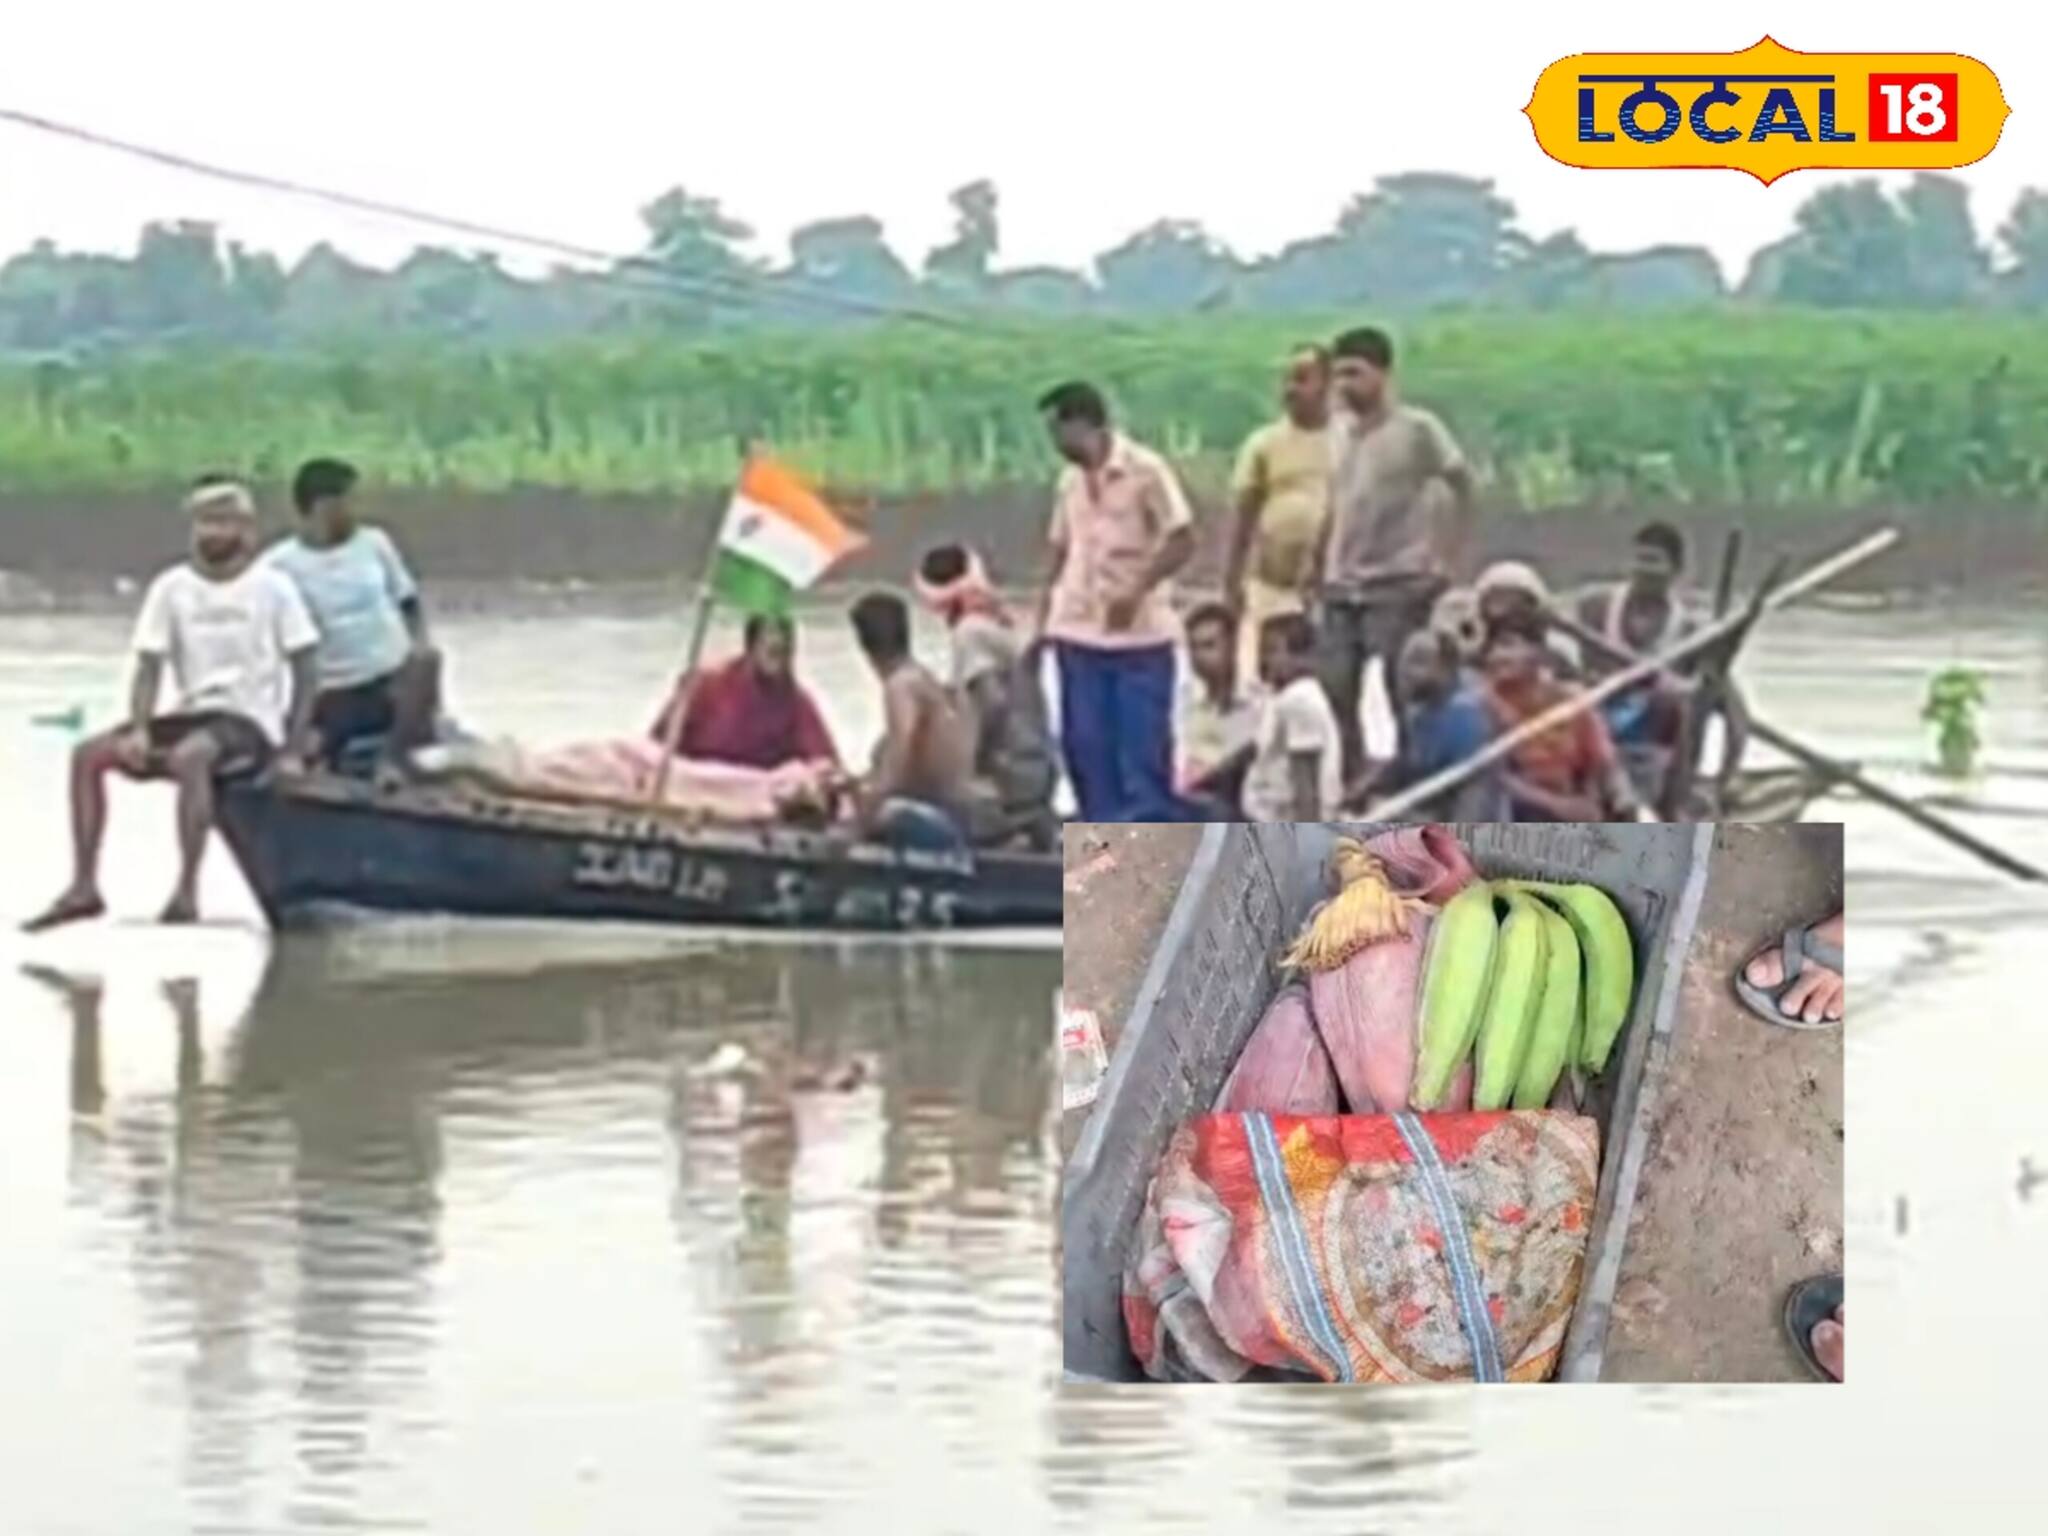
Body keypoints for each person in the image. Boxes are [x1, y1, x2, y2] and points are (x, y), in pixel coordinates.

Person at [23, 479, 320, 931]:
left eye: (222, 522)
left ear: (245, 530)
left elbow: (306, 666)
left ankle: (186, 891)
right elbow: (148, 663)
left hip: (246, 723)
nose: (211, 533)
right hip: (189, 715)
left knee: (192, 756)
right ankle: (84, 886)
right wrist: (140, 728)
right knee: (88, 755)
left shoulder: (274, 588)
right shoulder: (172, 587)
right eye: (203, 523)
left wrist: (293, 747)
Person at [1312, 326, 1476, 791]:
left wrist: (1447, 557)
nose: (1345, 385)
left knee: (1401, 686)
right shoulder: (1339, 432)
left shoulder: (1417, 430)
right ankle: (1351, 780)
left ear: (1383, 374)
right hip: (1343, 582)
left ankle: (1412, 782)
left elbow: (1461, 484)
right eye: (1339, 375)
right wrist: (1317, 567)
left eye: (1355, 374)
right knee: (1335, 687)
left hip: (1398, 579)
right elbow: (1336, 502)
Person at [1034, 380, 1196, 822]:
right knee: (1085, 749)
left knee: (1141, 756)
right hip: (1077, 633)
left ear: (1086, 425)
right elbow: (1059, 550)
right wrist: (1040, 622)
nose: (1056, 445)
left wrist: (1137, 587)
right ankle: (1101, 859)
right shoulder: (1070, 482)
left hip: (1137, 638)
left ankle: (1151, 866)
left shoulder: (1145, 471)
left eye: (1059, 432)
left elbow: (1181, 539)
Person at [262, 457, 441, 778]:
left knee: (427, 661)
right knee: (309, 751)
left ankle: (394, 759)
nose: (358, 509)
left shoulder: (375, 543)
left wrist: (418, 642)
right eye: (350, 500)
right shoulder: (278, 566)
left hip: (390, 679)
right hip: (334, 688)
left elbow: (408, 602)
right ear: (322, 506)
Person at [914, 544, 1058, 849]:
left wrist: (963, 769)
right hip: (1036, 763)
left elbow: (988, 703)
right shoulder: (997, 624)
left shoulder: (970, 633)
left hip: (1011, 772)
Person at [1223, 345, 1332, 681]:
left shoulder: (1348, 439)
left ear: (1327, 384)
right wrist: (1231, 585)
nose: (1290, 390)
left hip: (1334, 592)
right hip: (1272, 589)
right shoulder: (1264, 443)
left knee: (1329, 684)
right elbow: (1242, 517)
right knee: (1271, 678)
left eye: (1301, 379)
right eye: (1286, 380)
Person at [1478, 618, 1642, 821]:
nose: (1497, 656)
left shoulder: (1570, 699)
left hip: (1574, 799)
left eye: (1507, 645)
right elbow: (1494, 778)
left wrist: (1623, 800)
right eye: (1490, 649)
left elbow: (1605, 762)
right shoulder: (1483, 702)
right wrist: (1557, 805)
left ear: (1538, 652)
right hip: (1517, 810)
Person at [847, 592, 978, 844]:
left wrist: (870, 806)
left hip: (947, 815)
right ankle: (1078, 874)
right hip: (969, 804)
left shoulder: (901, 685)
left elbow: (901, 755)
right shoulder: (923, 678)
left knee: (879, 816)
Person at [650, 612, 842, 771]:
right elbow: (658, 742)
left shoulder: (796, 701)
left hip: (758, 795)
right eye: (772, 652)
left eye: (785, 653)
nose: (779, 663)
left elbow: (823, 759)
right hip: (700, 783)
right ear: (751, 648)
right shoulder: (706, 684)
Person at [1574, 520, 1699, 753]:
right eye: (1639, 559)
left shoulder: (1687, 629)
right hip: (1600, 714)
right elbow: (1586, 671)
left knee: (1674, 700)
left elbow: (1695, 690)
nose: (1643, 568)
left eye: (1653, 561)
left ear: (1676, 569)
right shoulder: (1595, 607)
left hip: (1653, 730)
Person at [1371, 627, 1510, 820]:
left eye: (1418, 662)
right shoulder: (1420, 706)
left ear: (1446, 669)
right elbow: (1409, 766)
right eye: (1402, 660)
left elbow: (1473, 807)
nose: (1404, 671)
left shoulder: (1467, 720)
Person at [1238, 613, 1343, 823]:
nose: (1265, 660)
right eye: (1262, 651)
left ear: (1301, 656)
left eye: (1272, 651)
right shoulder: (1280, 697)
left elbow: (1305, 785)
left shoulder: (1300, 700)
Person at [1174, 601, 1265, 814]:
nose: (1199, 657)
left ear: (1232, 645)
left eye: (1209, 646)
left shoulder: (1257, 702)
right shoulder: (1184, 698)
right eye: (1193, 648)